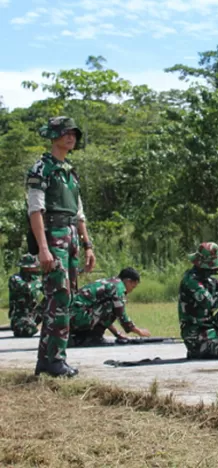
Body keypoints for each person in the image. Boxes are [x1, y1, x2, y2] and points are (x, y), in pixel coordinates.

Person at [26, 117, 96, 377]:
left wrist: (88, 245)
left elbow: (79, 213)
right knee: (60, 296)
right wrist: (43, 249)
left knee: (64, 298)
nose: (71, 137)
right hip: (53, 236)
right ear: (53, 136)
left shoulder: (69, 170)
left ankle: (46, 360)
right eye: (65, 133)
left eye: (74, 133)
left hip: (71, 237)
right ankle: (55, 360)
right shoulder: (41, 168)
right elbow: (35, 210)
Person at [68, 267, 151, 346]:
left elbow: (103, 315)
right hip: (77, 317)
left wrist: (117, 334)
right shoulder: (118, 287)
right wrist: (138, 331)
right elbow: (120, 314)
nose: (131, 290)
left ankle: (84, 335)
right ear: (128, 281)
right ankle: (93, 337)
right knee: (114, 306)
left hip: (71, 317)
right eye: (133, 287)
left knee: (110, 305)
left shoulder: (109, 282)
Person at [8, 254, 44, 337]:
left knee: (52, 299)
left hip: (33, 314)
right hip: (19, 316)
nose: (37, 268)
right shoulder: (15, 278)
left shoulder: (35, 278)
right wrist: (39, 283)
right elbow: (27, 288)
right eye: (34, 266)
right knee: (28, 331)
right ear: (27, 268)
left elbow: (47, 290)